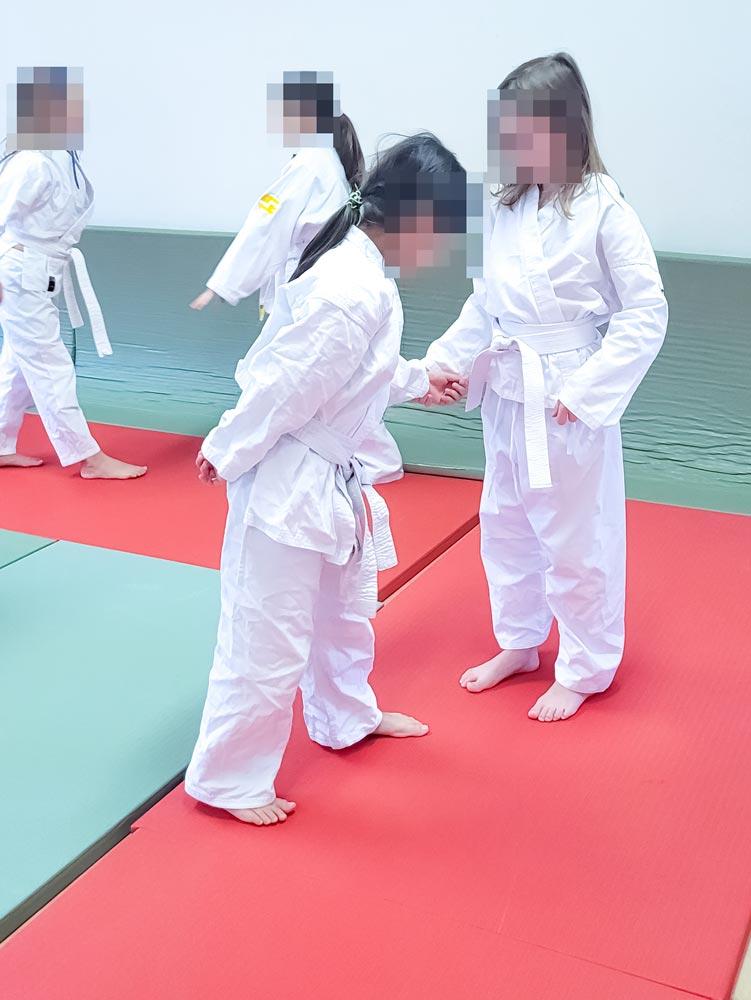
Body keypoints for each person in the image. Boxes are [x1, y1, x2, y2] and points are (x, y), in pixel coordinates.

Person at [184, 133, 467, 825]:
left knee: (342, 615)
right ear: (417, 220)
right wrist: (227, 445)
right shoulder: (350, 287)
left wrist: (418, 380)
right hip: (287, 477)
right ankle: (227, 779)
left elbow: (351, 373)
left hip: (326, 475)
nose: (443, 249)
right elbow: (287, 386)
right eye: (443, 232)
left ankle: (344, 717)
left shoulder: (364, 276)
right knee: (267, 634)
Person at [423, 53, 668, 722]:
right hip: (508, 386)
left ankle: (586, 666)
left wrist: (588, 391)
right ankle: (520, 641)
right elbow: (482, 305)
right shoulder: (500, 207)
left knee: (575, 536)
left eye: (521, 127)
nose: (509, 141)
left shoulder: (604, 207)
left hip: (565, 390)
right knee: (504, 524)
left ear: (561, 127)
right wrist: (443, 363)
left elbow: (646, 311)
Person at [189, 70, 404, 483]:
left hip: (310, 278)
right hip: (321, 274)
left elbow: (267, 220)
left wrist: (223, 283)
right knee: (337, 375)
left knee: (293, 372)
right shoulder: (330, 165)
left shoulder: (310, 163)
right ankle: (371, 456)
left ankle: (258, 444)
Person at [0, 66, 146, 478]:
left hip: (40, 269)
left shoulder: (62, 158)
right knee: (50, 364)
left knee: (19, 363)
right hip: (22, 269)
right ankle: (89, 457)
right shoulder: (31, 162)